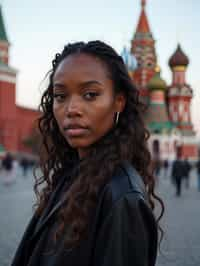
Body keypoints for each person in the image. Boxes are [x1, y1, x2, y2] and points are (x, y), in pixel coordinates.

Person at [11, 41, 164, 266]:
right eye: (60, 96)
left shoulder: (122, 197)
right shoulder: (71, 173)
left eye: (90, 95)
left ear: (118, 102)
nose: (72, 109)